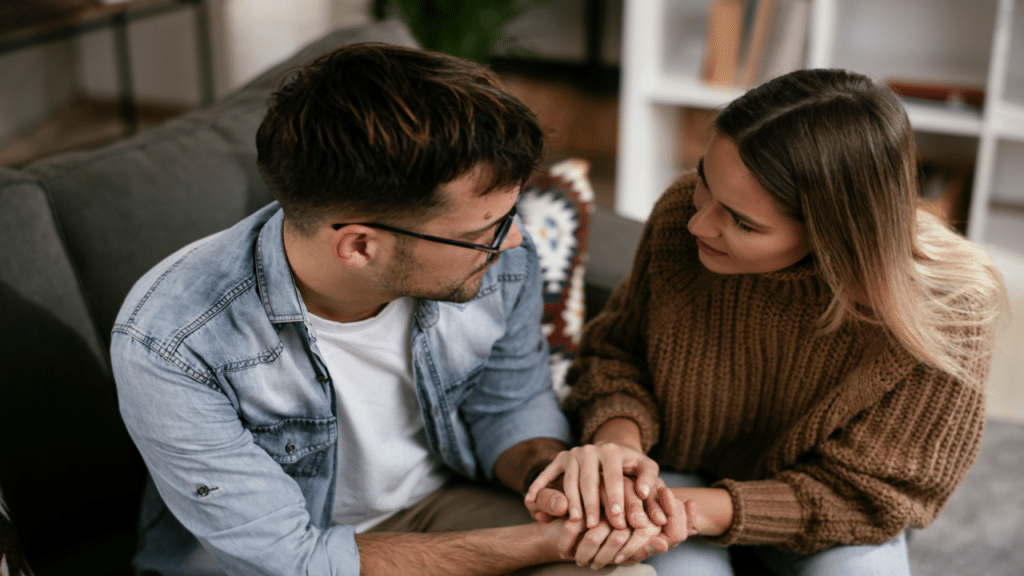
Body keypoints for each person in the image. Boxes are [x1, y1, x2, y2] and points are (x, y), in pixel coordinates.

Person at [111, 42, 682, 576]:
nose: (512, 243)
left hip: (441, 506)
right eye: (484, 230)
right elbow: (294, 560)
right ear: (360, 245)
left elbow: (508, 404)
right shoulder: (173, 343)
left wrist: (555, 480)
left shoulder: (499, 260)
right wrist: (548, 542)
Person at [525, 68, 1008, 575]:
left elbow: (878, 493)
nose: (698, 223)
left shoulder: (947, 309)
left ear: (831, 236)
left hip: (819, 515)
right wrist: (618, 449)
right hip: (671, 481)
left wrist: (699, 512)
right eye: (704, 183)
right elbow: (618, 357)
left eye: (742, 221)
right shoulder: (678, 224)